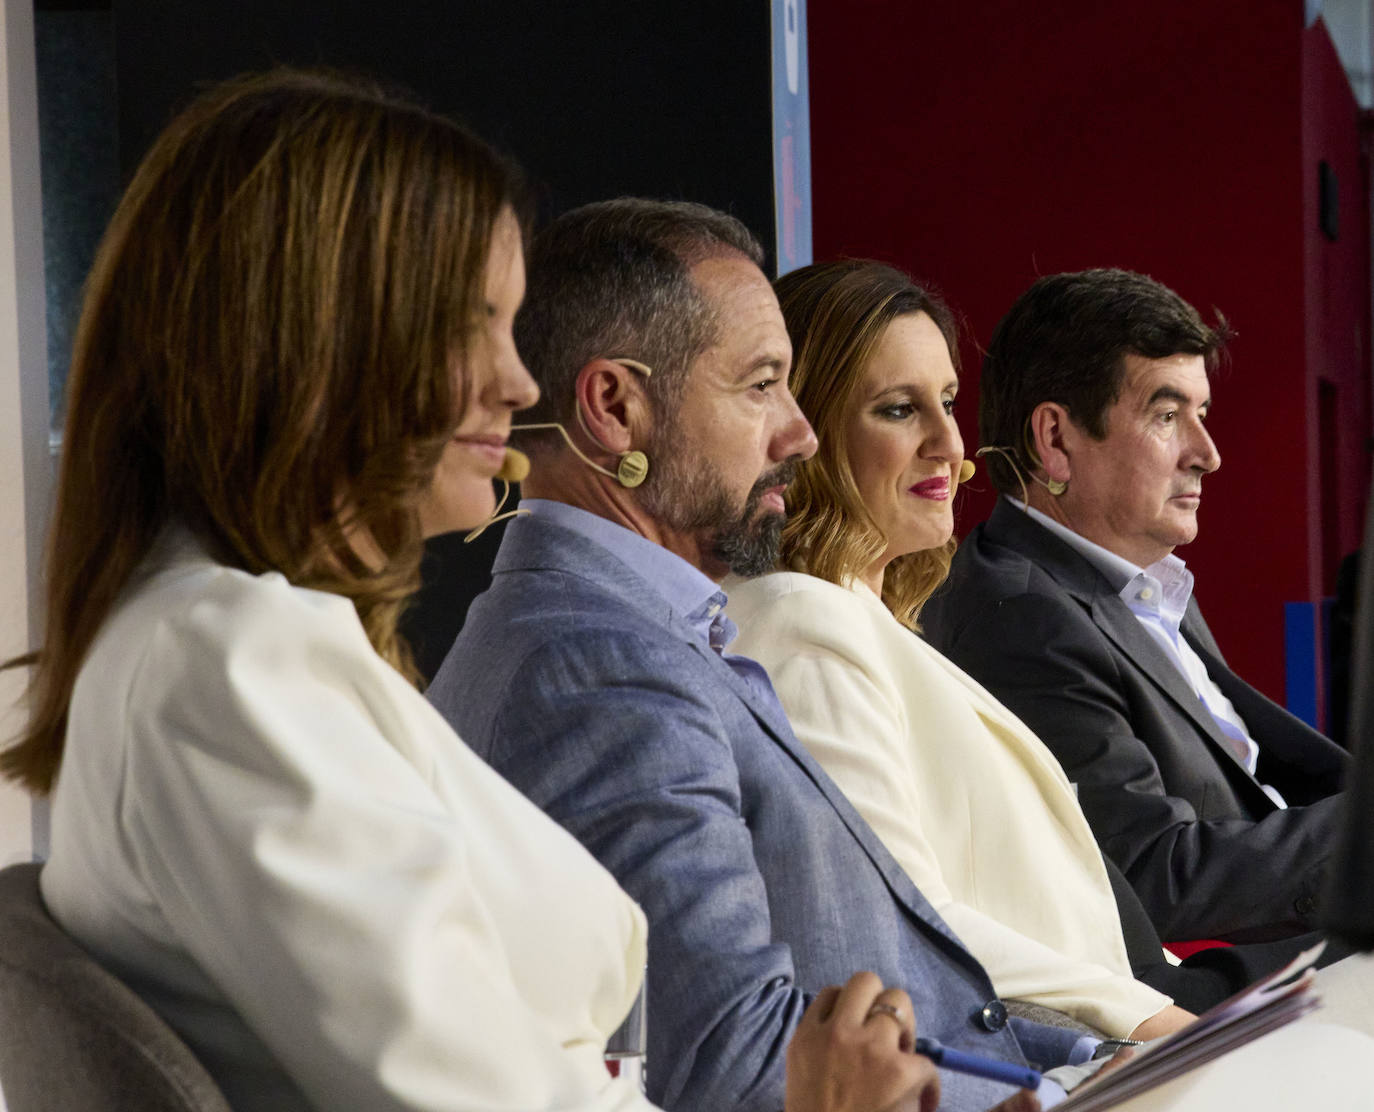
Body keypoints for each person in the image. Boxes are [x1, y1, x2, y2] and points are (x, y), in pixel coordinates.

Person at [0, 72, 940, 1112]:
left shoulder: (241, 645)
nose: (520, 382)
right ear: (327, 334)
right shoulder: (223, 660)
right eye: (476, 324)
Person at [429, 199, 1109, 1112]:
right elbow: (744, 1077)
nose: (801, 434)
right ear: (614, 408)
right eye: (760, 386)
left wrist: (1093, 1060)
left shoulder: (641, 637)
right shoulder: (600, 670)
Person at [725, 259, 1205, 1029]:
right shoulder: (799, 623)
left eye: (947, 402)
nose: (950, 443)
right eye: (897, 410)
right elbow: (899, 917)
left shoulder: (869, 623)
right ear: (806, 430)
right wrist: (1151, 1020)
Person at [919, 268, 1349, 947]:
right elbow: (1152, 879)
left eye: (1200, 416)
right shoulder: (1021, 616)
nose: (1207, 455)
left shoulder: (1143, 580)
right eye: (1167, 415)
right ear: (1055, 441)